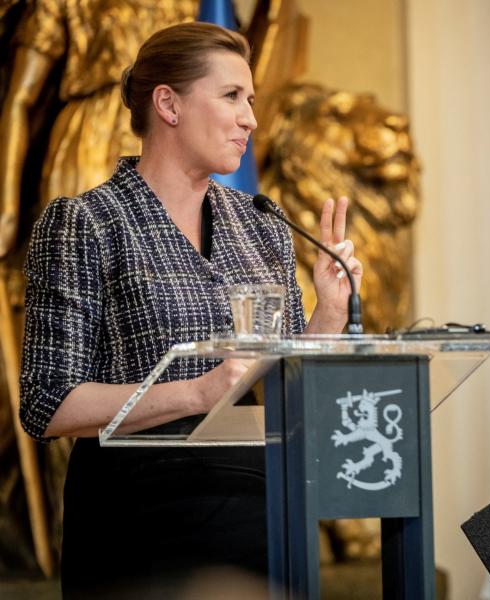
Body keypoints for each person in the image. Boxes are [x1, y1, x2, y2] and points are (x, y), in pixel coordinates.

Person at [18, 22, 362, 598]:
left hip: (266, 510)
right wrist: (196, 394)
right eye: (231, 96)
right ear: (168, 104)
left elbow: (282, 385)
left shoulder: (263, 226)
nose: (251, 118)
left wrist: (328, 314)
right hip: (141, 519)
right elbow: (46, 403)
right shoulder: (87, 223)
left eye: (250, 99)